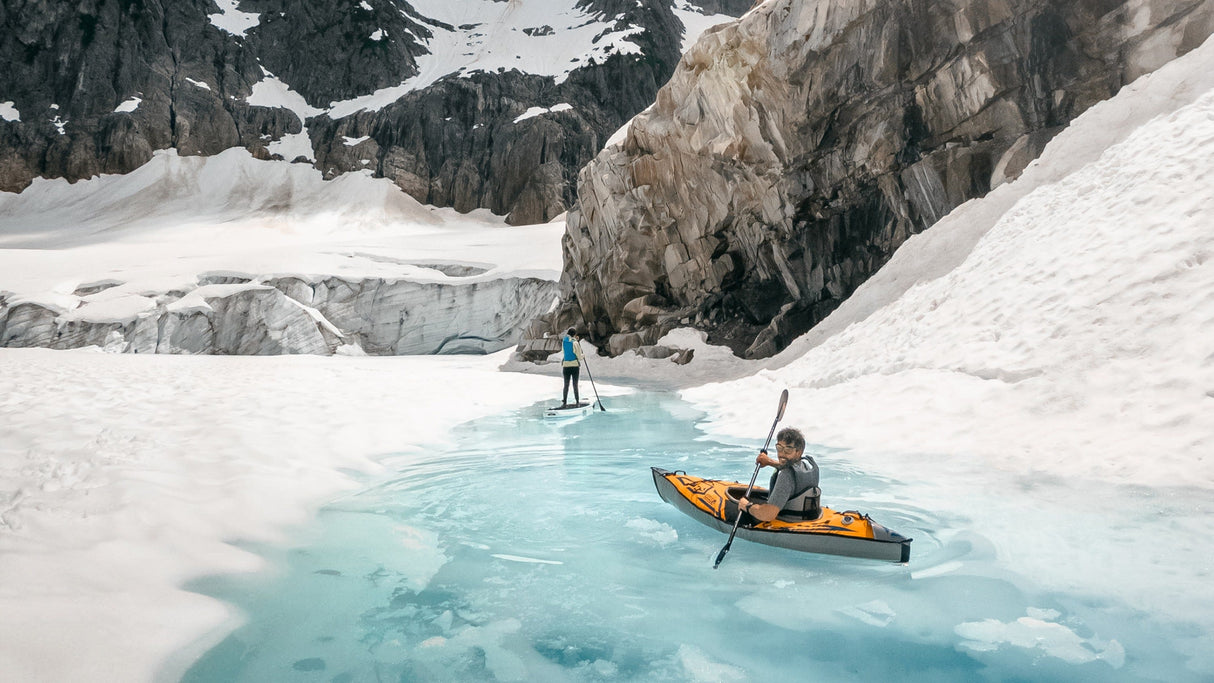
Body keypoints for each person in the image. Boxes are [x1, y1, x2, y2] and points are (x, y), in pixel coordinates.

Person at [736, 427, 819, 523]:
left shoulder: (786, 476)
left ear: (799, 452)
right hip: (806, 517)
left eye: (788, 450)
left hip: (788, 521)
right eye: (779, 448)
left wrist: (747, 506)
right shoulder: (807, 466)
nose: (781, 454)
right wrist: (769, 462)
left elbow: (768, 515)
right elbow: (789, 467)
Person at [560, 328, 584, 406]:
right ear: (574, 334)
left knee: (566, 384)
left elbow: (564, 352)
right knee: (575, 384)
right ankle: (577, 401)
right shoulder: (575, 343)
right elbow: (579, 356)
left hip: (566, 366)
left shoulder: (564, 341)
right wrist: (583, 356)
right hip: (574, 366)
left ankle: (564, 402)